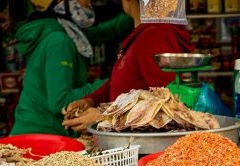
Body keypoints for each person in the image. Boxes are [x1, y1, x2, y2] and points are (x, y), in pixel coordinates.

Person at [63, 0, 195, 132]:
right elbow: (126, 82)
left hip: (143, 148)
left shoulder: (153, 36)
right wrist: (93, 100)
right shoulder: (146, 34)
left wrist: (102, 118)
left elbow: (167, 104)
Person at [11, 0, 133, 136]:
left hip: (45, 132)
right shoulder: (58, 41)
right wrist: (109, 84)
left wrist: (136, 11)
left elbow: (103, 32)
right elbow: (60, 102)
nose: (89, 4)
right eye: (84, 0)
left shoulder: (65, 30)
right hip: (39, 134)